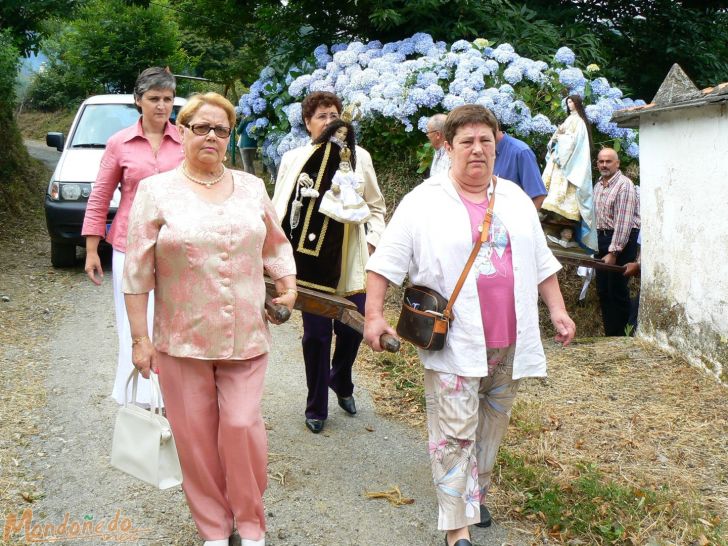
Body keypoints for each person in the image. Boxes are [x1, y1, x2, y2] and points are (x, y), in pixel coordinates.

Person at [364, 104, 575, 546]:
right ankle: (456, 524)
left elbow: (541, 262)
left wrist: (557, 309)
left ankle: (473, 494)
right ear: (448, 146)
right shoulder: (424, 201)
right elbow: (385, 262)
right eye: (466, 142)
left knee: (491, 426)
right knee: (454, 432)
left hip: (508, 342)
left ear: (497, 143)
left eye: (485, 140)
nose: (477, 149)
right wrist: (374, 315)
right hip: (455, 340)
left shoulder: (515, 198)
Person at [123, 92, 297, 546]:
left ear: (229, 136)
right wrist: (141, 340)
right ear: (182, 132)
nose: (212, 137)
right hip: (181, 339)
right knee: (195, 439)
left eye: (221, 129)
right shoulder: (155, 191)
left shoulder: (252, 187)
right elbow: (137, 271)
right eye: (201, 128)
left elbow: (276, 245)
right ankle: (215, 531)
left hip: (245, 335)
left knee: (241, 426)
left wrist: (287, 284)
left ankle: (251, 524)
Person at [272, 91, 386, 434]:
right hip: (309, 265)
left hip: (352, 262)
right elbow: (278, 207)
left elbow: (377, 207)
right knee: (316, 336)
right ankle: (316, 405)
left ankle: (341, 378)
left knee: (354, 328)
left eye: (334, 114)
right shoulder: (294, 158)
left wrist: (371, 241)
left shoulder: (359, 157)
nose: (330, 121)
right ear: (308, 123)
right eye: (321, 115)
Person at [81, 66, 184, 406]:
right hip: (129, 245)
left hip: (177, 246)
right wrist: (92, 249)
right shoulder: (119, 143)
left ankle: (171, 396)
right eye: (153, 98)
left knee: (172, 320)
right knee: (133, 322)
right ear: (138, 101)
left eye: (167, 99)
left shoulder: (186, 139)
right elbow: (100, 196)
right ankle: (137, 399)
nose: (161, 105)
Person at [541, 94, 597, 251]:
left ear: (577, 103)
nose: (569, 104)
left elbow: (575, 142)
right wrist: (556, 138)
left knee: (566, 193)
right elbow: (559, 136)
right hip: (559, 160)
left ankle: (564, 226)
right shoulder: (569, 119)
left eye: (571, 102)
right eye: (568, 102)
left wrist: (562, 138)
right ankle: (549, 219)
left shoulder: (579, 122)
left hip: (569, 163)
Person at [594, 148, 640, 336]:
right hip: (602, 238)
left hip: (622, 240)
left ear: (617, 164)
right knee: (604, 290)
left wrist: (614, 252)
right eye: (601, 161)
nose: (604, 165)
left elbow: (624, 222)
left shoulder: (624, 185)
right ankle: (610, 335)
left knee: (617, 290)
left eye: (608, 161)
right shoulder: (598, 185)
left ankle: (624, 335)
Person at [493, 127, 547, 209]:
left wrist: (522, 221)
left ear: (495, 128)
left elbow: (538, 198)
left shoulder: (521, 152)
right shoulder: (481, 152)